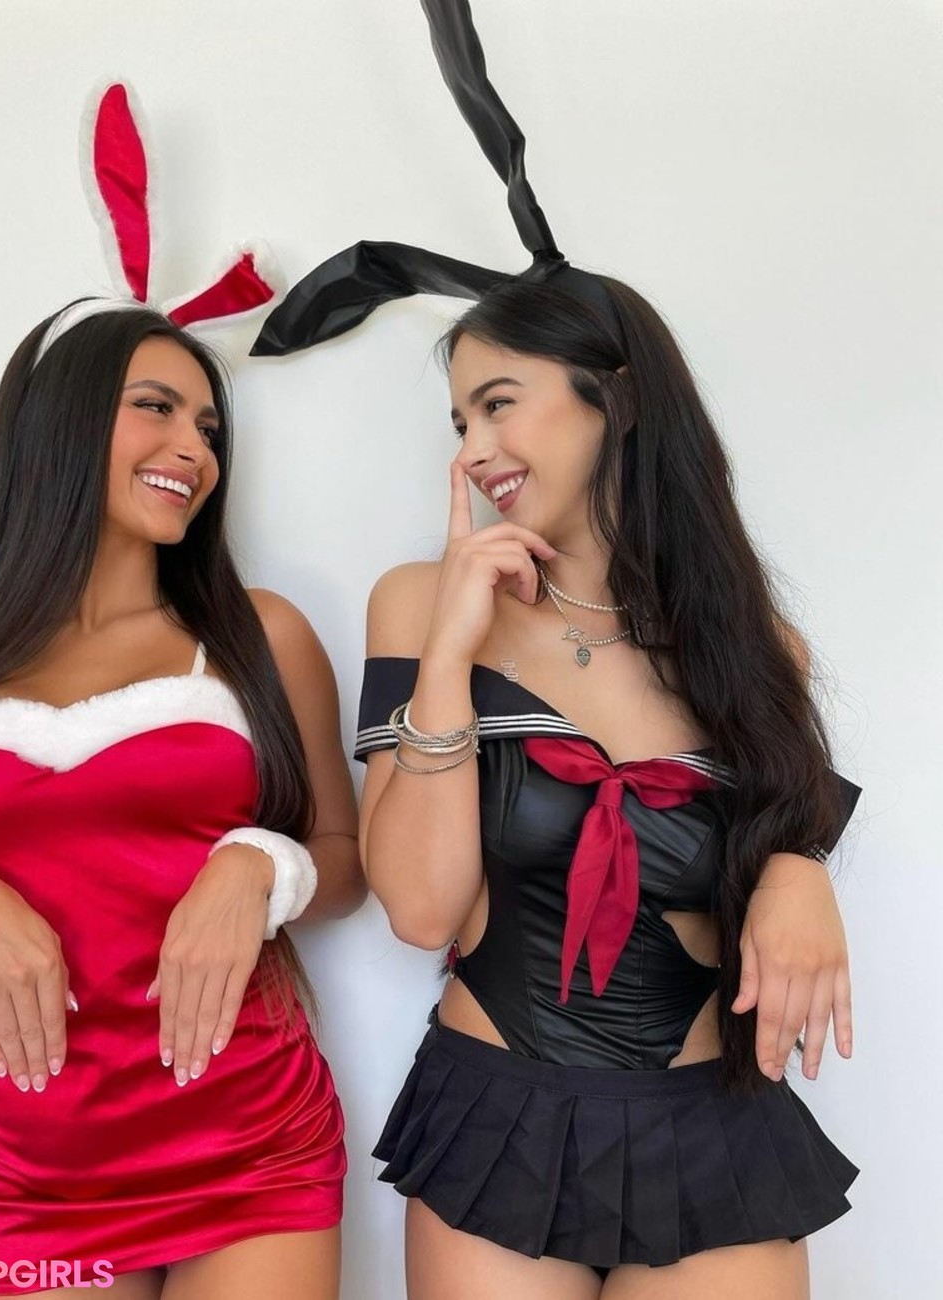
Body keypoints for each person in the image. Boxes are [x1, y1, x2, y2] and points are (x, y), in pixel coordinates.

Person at [354, 276, 859, 1299]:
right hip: (500, 1118)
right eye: (459, 422)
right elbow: (419, 910)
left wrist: (800, 865)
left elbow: (781, 834)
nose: (473, 450)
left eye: (498, 403)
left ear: (616, 397)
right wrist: (449, 654)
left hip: (713, 1122)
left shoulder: (756, 650)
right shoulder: (420, 603)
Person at [0, 300, 365, 1300]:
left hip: (250, 1146)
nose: (195, 449)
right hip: (39, 1176)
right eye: (157, 408)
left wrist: (257, 863)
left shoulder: (259, 636)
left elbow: (345, 864)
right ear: (61, 423)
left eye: (209, 429)